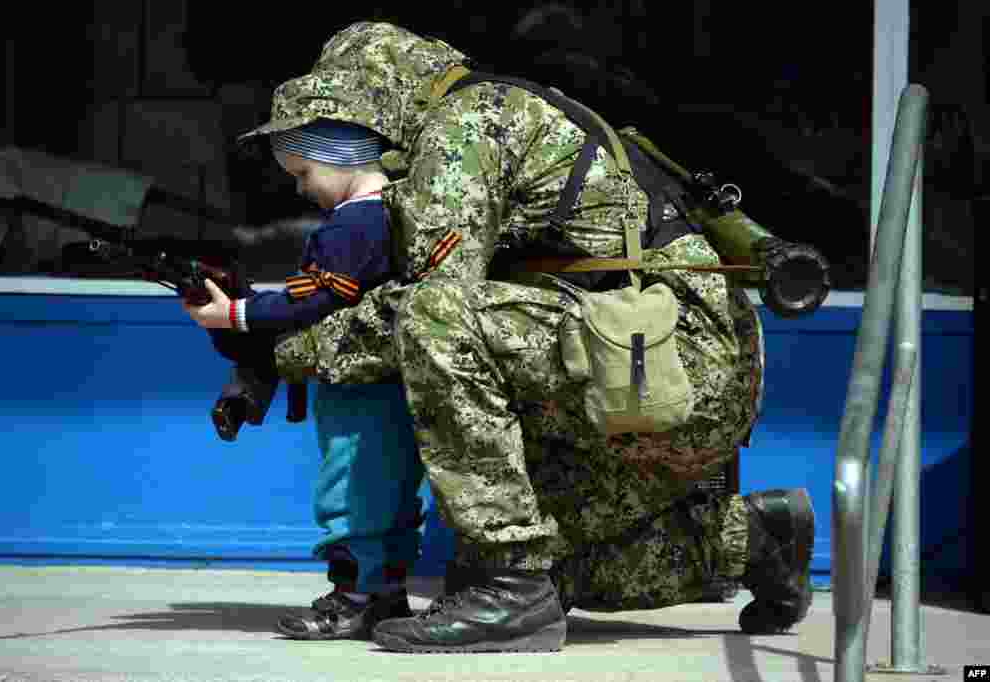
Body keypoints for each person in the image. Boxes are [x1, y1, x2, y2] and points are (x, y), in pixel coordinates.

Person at [238, 21, 815, 654]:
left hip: (663, 361)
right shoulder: (503, 107)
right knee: (542, 571)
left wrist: (284, 348)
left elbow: (423, 306)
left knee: (436, 319)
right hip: (668, 362)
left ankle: (512, 586)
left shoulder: (462, 126)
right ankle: (758, 537)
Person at [183, 117, 428, 640]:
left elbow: (316, 297)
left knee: (351, 487)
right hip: (393, 380)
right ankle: (383, 595)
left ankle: (354, 599)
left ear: (339, 156)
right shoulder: (396, 214)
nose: (300, 187)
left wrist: (238, 314)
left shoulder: (353, 224)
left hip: (357, 385)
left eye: (303, 171)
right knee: (390, 488)